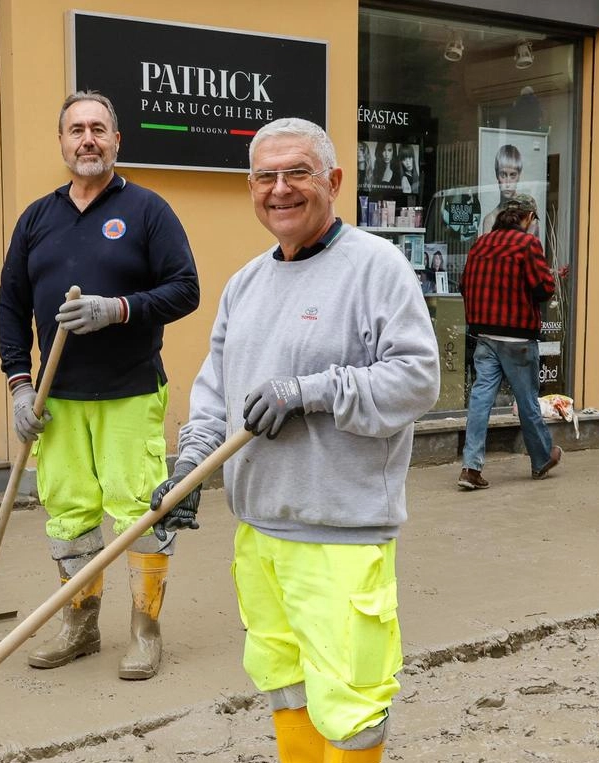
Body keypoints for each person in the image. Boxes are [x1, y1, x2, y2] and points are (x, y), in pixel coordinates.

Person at [151, 117, 439, 762]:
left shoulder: (376, 267)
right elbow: (215, 392)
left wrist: (311, 391)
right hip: (259, 530)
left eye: (297, 173)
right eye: (265, 176)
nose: (280, 189)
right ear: (250, 187)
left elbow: (418, 380)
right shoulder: (246, 284)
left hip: (338, 531)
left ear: (333, 181)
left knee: (351, 704)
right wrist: (192, 465)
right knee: (284, 684)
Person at [0, 91, 199, 681]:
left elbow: (186, 288)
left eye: (98, 129)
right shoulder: (36, 217)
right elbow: (10, 307)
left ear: (116, 141)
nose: (87, 139)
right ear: (61, 142)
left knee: (139, 511)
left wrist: (120, 309)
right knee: (67, 513)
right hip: (56, 400)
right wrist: (18, 386)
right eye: (75, 130)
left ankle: (144, 629)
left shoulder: (148, 210)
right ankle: (80, 626)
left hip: (129, 392)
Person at [456, 193, 562, 490]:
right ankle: (541, 459)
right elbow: (544, 289)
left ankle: (470, 467)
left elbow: (464, 284)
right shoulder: (528, 244)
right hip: (517, 336)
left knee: (480, 400)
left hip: (484, 335)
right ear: (527, 217)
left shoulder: (481, 243)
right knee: (527, 400)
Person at [478, 144, 531, 236]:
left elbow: (535, 249)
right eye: (503, 175)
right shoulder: (489, 219)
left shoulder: (528, 215)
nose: (507, 183)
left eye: (513, 175)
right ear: (497, 175)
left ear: (519, 176)